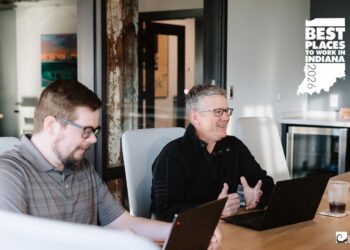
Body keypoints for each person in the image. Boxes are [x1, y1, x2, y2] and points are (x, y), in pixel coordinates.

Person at [0, 80, 221, 249]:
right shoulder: (9, 174)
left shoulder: (81, 166)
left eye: (95, 131)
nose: (94, 140)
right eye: (86, 130)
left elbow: (123, 223)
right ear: (51, 125)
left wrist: (184, 232)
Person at [151, 85, 275, 222]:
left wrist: (258, 194)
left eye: (227, 111)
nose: (226, 118)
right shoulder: (172, 155)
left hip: (228, 231)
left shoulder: (234, 146)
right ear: (195, 117)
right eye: (218, 112)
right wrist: (215, 209)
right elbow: (165, 212)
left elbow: (265, 182)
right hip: (189, 237)